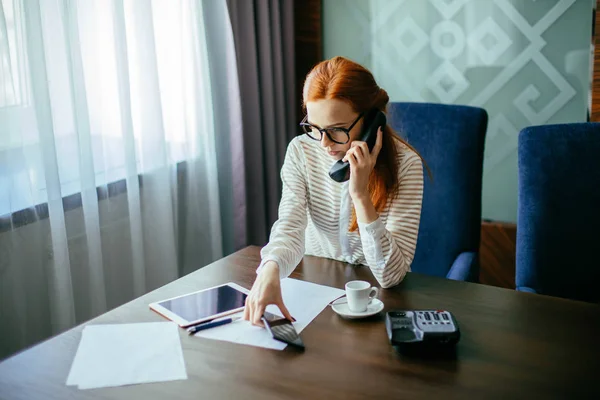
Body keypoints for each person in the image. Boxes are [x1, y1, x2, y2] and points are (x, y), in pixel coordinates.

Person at [243, 56, 425, 326]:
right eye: (315, 128)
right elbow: (291, 226)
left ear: (372, 120)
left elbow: (391, 275)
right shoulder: (302, 151)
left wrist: (361, 195)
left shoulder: (407, 164)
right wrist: (269, 270)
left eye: (337, 130)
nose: (325, 144)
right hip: (316, 291)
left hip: (378, 303)